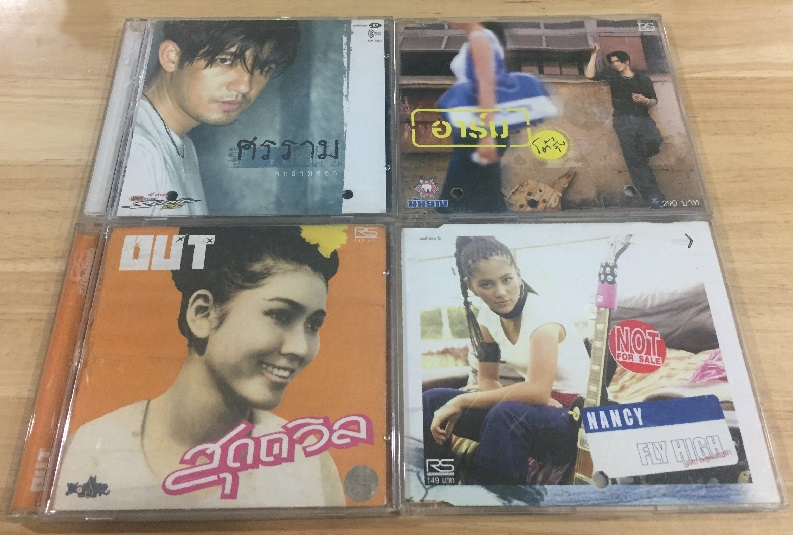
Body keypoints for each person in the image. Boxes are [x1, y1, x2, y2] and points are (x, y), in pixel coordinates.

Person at [54, 226, 346, 509]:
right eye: (280, 315)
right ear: (202, 314)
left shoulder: (310, 464)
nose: (300, 348)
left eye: (313, 325)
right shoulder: (90, 448)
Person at [423, 236, 589, 485]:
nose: (500, 292)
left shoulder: (543, 318)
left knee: (506, 414)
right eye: (486, 284)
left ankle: (493, 501)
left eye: (507, 280)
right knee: (432, 401)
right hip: (536, 411)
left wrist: (462, 400)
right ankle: (435, 486)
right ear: (471, 286)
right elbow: (488, 381)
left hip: (574, 416)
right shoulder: (487, 317)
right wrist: (527, 399)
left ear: (518, 274)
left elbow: (537, 391)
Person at [117, 21, 300, 216]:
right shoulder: (138, 150)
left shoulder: (178, 143)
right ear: (171, 57)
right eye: (225, 61)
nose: (244, 86)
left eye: (263, 68)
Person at [438, 23, 509, 212]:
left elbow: (486, 86)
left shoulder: (480, 38)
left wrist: (486, 135)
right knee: (484, 193)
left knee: (455, 198)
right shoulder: (480, 38)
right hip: (475, 126)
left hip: (478, 127)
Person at [585, 44, 666, 207]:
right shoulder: (612, 76)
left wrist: (644, 100)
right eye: (613, 62)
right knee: (635, 162)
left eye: (618, 61)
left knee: (655, 141)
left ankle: (641, 159)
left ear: (627, 61)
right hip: (623, 121)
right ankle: (653, 198)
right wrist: (594, 54)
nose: (615, 64)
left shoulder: (642, 79)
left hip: (643, 119)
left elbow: (654, 101)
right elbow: (589, 75)